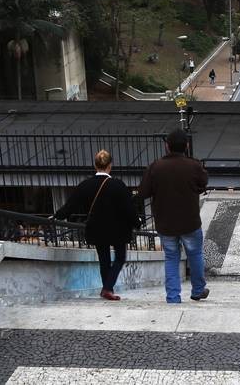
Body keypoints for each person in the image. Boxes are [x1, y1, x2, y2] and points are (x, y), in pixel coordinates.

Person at [53, 150, 140, 301]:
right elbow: (129, 208)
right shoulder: (118, 185)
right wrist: (137, 223)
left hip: (97, 228)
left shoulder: (85, 185)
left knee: (103, 259)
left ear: (95, 165)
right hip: (118, 229)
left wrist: (56, 216)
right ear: (110, 166)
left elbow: (70, 206)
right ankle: (107, 288)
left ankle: (107, 289)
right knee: (120, 257)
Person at [138, 129, 209, 304]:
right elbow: (203, 183)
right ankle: (198, 290)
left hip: (165, 222)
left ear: (167, 146)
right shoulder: (194, 165)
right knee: (195, 254)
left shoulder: (155, 167)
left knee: (171, 258)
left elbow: (144, 192)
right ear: (186, 146)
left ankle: (173, 297)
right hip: (189, 221)